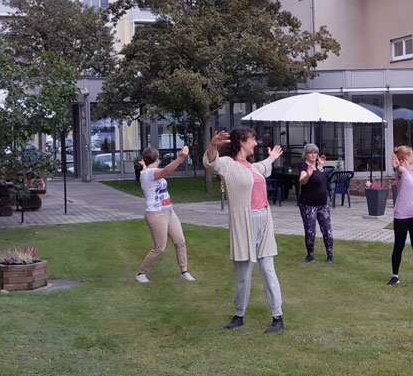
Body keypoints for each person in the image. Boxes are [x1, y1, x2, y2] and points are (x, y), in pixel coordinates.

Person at [204, 127, 286, 333]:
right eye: (253, 139)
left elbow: (263, 167)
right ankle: (239, 315)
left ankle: (278, 317)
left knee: (268, 269)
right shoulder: (228, 165)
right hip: (244, 223)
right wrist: (213, 144)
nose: (256, 143)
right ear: (241, 142)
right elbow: (210, 163)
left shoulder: (251, 167)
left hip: (264, 220)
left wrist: (272, 158)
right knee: (243, 273)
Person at [135, 145, 195, 283]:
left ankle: (184, 271)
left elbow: (148, 169)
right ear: (157, 159)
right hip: (155, 214)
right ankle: (141, 273)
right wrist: (181, 157)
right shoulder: (150, 173)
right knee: (159, 248)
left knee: (180, 241)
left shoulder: (146, 171)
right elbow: (167, 170)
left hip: (169, 211)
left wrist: (143, 164)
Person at [387, 145, 413, 287]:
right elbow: (399, 170)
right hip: (402, 215)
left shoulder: (411, 173)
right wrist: (397, 166)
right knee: (399, 245)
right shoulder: (402, 171)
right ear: (406, 157)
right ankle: (395, 276)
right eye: (412, 154)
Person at [297, 143, 333, 264]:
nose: (313, 154)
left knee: (327, 230)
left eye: (315, 152)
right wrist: (308, 174)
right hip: (308, 205)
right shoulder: (304, 167)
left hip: (323, 205)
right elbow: (302, 181)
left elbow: (318, 179)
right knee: (310, 231)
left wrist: (320, 166)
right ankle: (310, 256)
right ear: (305, 155)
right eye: (310, 152)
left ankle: (330, 256)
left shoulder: (316, 167)